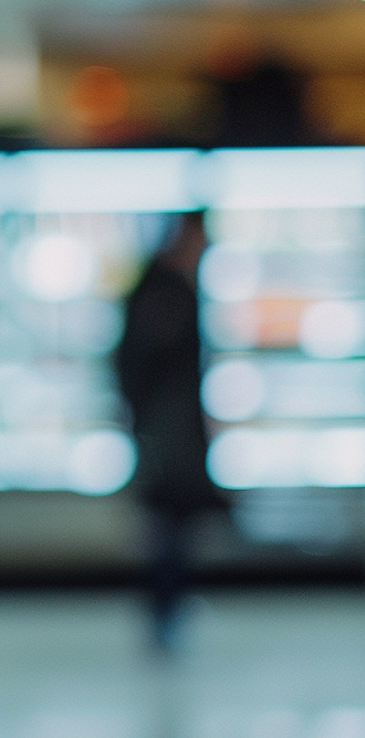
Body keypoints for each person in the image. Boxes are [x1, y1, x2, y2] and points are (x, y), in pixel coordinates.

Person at [115, 212, 219, 647]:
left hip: (160, 433)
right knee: (170, 530)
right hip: (169, 439)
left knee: (168, 528)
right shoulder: (167, 291)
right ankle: (165, 614)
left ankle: (167, 613)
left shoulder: (152, 286)